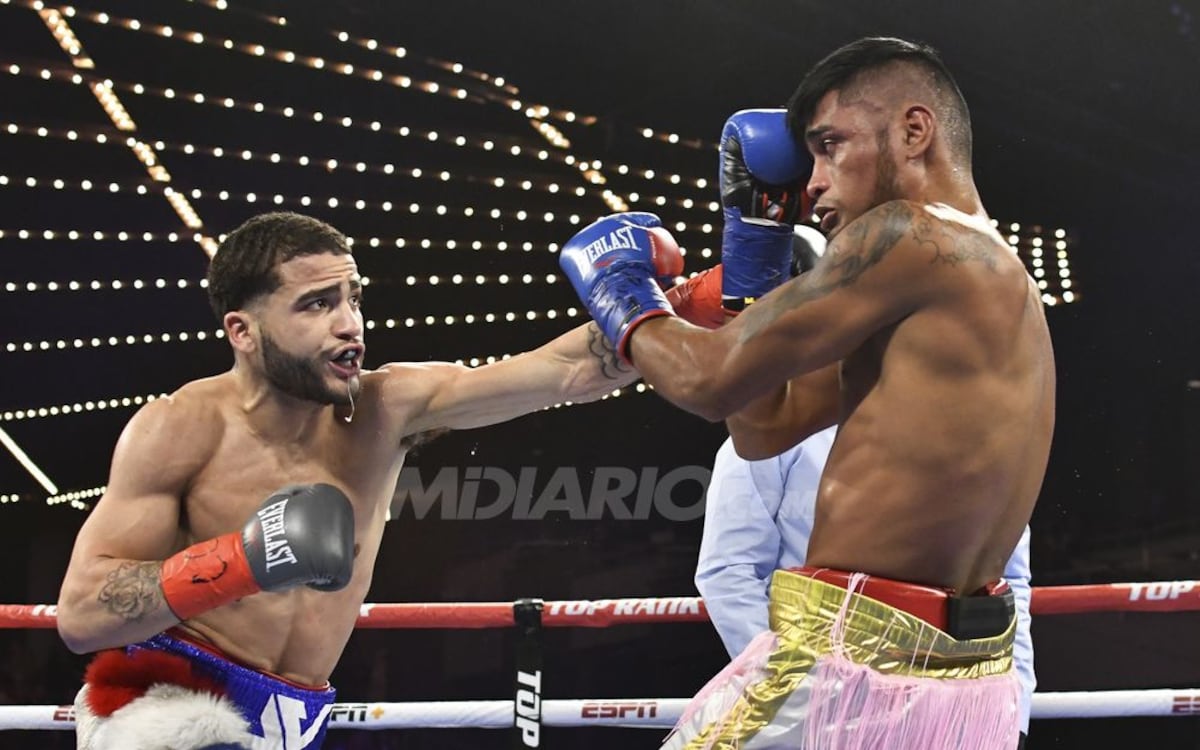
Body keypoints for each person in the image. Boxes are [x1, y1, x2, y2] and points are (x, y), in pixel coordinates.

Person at [559, 36, 1055, 749]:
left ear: (915, 131)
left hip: (852, 657)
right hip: (965, 686)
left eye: (830, 146)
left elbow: (706, 380)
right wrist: (752, 263)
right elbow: (766, 427)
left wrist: (621, 292)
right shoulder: (984, 274)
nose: (811, 183)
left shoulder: (907, 233)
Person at [55, 210, 677, 749]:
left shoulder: (387, 407)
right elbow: (82, 614)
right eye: (318, 304)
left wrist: (676, 305)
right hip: (172, 707)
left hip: (297, 716)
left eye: (353, 298)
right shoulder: (181, 427)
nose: (349, 323)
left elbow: (567, 371)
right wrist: (241, 561)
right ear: (243, 331)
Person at [696, 434, 1037, 746]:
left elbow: (1008, 581)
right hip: (820, 687)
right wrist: (794, 682)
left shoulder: (972, 435)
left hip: (956, 699)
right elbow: (729, 570)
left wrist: (1014, 712)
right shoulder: (774, 431)